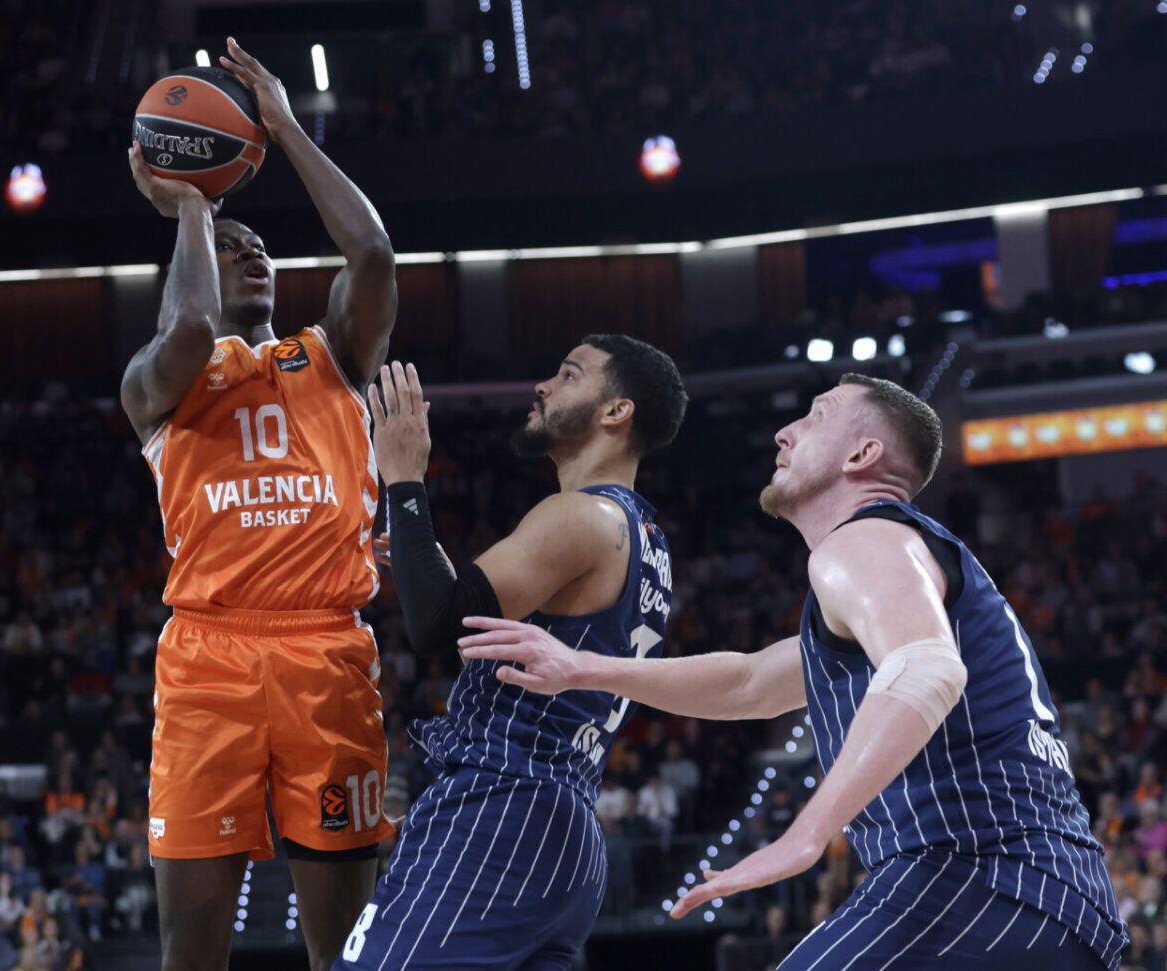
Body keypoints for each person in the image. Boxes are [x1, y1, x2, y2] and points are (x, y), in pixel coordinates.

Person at [461, 373, 1127, 969]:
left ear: (862, 455)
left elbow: (928, 667)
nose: (784, 429)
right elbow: (749, 682)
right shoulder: (891, 565)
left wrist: (804, 836)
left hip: (980, 877)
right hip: (1044, 897)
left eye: (817, 414)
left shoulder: (864, 540)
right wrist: (584, 666)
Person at [120, 35, 397, 971]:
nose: (250, 255)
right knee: (190, 949)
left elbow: (372, 249)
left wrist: (281, 125)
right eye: (228, 249)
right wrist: (197, 207)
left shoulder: (330, 358)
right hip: (208, 658)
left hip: (325, 648)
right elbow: (191, 323)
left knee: (342, 949)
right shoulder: (156, 384)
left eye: (259, 245)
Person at [336, 336, 687, 969]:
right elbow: (468, 607)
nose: (544, 387)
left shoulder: (580, 517)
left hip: (500, 809)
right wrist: (427, 561)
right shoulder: (644, 537)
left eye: (568, 374)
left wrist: (404, 475)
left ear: (616, 411)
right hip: (565, 828)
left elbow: (441, 627)